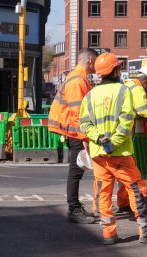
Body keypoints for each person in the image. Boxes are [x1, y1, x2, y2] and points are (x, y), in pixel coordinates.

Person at [79, 52, 147, 245]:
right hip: (119, 153)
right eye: (119, 67)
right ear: (115, 70)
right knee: (136, 188)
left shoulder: (90, 95)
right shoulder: (123, 91)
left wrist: (100, 140)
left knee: (104, 192)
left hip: (98, 154)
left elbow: (84, 124)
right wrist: (114, 143)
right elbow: (126, 121)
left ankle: (108, 234)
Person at [48, 48, 99, 224]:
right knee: (75, 172)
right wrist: (85, 138)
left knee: (76, 171)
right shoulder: (78, 80)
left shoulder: (78, 77)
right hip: (75, 132)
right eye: (97, 61)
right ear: (91, 61)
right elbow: (79, 113)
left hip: (73, 131)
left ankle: (75, 207)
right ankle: (74, 209)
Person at [114, 66, 147, 213]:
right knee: (132, 173)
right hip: (125, 137)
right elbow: (144, 111)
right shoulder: (138, 90)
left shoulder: (127, 84)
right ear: (146, 82)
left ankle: (122, 202)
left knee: (119, 174)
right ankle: (139, 207)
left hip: (115, 134)